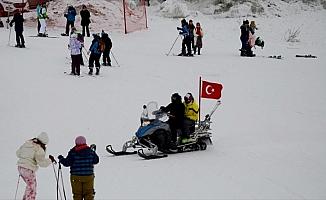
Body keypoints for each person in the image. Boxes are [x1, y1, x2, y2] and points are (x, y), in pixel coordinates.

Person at [16, 132, 56, 200]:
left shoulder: (28, 143)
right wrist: (50, 160)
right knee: (32, 188)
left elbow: (18, 153)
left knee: (30, 186)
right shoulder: (39, 148)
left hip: (20, 168)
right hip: (28, 169)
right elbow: (42, 163)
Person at [58, 136, 99, 200]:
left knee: (77, 195)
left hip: (76, 177)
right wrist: (93, 152)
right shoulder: (90, 151)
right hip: (88, 176)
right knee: (89, 195)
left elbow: (67, 163)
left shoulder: (73, 152)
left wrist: (61, 159)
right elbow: (96, 160)